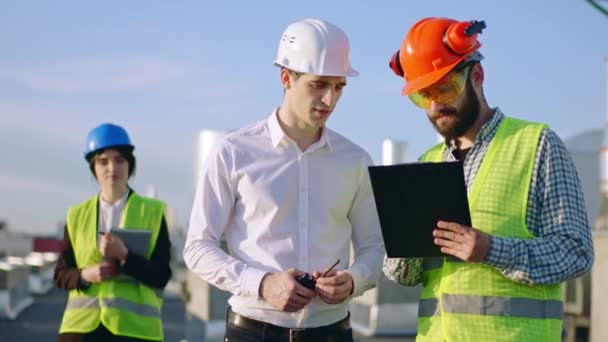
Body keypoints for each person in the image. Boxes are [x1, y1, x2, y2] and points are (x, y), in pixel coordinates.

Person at [382, 17, 594, 341]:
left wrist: (491, 250)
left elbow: (576, 251)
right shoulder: (427, 163)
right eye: (424, 96)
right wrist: (400, 246)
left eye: (445, 88)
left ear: (477, 76)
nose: (436, 105)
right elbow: (405, 276)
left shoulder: (537, 145)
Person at [183, 18, 385, 342]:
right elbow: (197, 247)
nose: (330, 100)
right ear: (286, 78)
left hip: (332, 333)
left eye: (339, 87)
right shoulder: (233, 152)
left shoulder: (356, 161)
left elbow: (373, 248)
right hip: (251, 332)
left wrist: (353, 279)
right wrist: (262, 284)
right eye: (318, 85)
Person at [54, 123, 172, 342]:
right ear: (93, 168)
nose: (112, 168)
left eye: (120, 160)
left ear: (130, 164)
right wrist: (85, 275)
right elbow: (60, 274)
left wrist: (125, 256)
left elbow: (161, 276)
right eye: (103, 161)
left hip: (135, 330)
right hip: (80, 330)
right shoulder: (76, 215)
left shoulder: (153, 212)